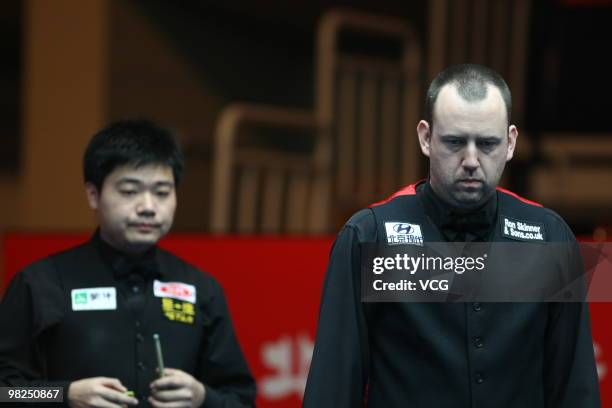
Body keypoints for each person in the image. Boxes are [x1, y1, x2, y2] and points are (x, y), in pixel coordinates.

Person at [303, 64, 600, 407]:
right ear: (426, 138)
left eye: (487, 143)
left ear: (511, 142)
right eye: (455, 141)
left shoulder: (550, 238)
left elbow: (575, 391)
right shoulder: (370, 237)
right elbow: (332, 389)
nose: (471, 160)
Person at [0, 119, 256, 407]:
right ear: (93, 195)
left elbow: (242, 401)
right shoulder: (40, 283)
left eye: (162, 192)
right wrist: (64, 395)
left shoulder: (201, 288)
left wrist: (203, 397)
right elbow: (5, 393)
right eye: (129, 191)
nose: (148, 206)